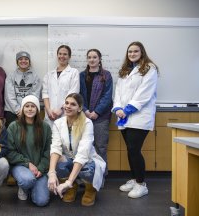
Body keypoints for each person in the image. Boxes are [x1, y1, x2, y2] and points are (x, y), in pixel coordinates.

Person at [112, 41, 158, 199]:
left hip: (139, 116)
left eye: (135, 51)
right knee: (130, 150)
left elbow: (144, 93)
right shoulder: (125, 70)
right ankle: (134, 179)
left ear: (142, 52)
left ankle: (141, 184)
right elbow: (118, 91)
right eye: (130, 51)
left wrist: (127, 109)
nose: (132, 54)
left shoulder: (149, 69)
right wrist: (117, 108)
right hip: (124, 117)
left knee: (134, 149)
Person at [47, 93, 106, 206]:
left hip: (86, 160)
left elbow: (83, 154)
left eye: (73, 104)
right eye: (67, 103)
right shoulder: (58, 123)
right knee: (59, 163)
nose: (68, 106)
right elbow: (55, 148)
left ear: (79, 108)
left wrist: (68, 181)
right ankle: (72, 188)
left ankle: (90, 189)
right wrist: (52, 173)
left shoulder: (87, 123)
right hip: (70, 158)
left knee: (88, 170)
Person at [6, 95, 51, 207]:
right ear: (22, 108)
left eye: (33, 106)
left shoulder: (45, 127)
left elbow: (48, 151)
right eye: (27, 106)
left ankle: (32, 186)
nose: (30, 109)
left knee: (42, 201)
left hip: (39, 169)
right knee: (27, 180)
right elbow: (9, 152)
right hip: (21, 166)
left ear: (37, 109)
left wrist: (41, 168)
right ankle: (24, 186)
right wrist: (28, 164)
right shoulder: (13, 126)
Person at [79, 49, 113, 181]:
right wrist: (86, 111)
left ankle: (101, 177)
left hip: (101, 117)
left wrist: (96, 112)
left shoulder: (106, 75)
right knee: (85, 147)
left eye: (94, 57)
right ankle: (86, 177)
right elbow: (80, 94)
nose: (92, 60)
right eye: (89, 57)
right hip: (84, 116)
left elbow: (107, 96)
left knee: (100, 147)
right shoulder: (82, 75)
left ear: (99, 59)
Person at [42, 45, 79, 127]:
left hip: (65, 114)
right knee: (49, 138)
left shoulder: (73, 72)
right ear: (57, 55)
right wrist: (48, 111)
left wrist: (61, 109)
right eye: (60, 54)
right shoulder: (49, 74)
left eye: (65, 54)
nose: (62, 56)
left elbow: (73, 93)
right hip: (50, 114)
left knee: (65, 137)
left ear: (69, 57)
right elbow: (45, 93)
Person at [4, 51, 41, 128]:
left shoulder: (35, 77)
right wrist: (18, 110)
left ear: (29, 62)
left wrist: (26, 110)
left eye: (26, 59)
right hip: (12, 112)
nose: (23, 61)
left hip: (29, 112)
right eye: (20, 59)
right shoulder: (11, 76)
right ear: (17, 62)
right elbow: (9, 95)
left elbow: (35, 96)